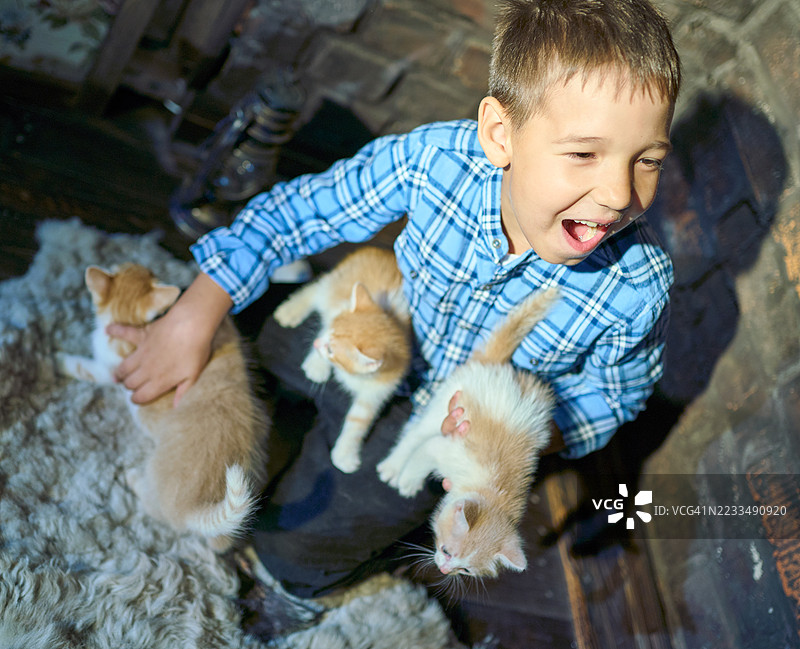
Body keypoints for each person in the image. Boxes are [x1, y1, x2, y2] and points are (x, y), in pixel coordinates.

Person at [109, 0, 681, 598]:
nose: (618, 194)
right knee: (217, 359)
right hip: (381, 334)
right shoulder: (434, 160)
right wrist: (195, 312)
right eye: (584, 153)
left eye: (648, 161)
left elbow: (614, 394)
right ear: (500, 134)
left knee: (294, 550)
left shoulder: (637, 285)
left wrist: (526, 432)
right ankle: (287, 415)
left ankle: (299, 550)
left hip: (431, 428)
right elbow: (306, 210)